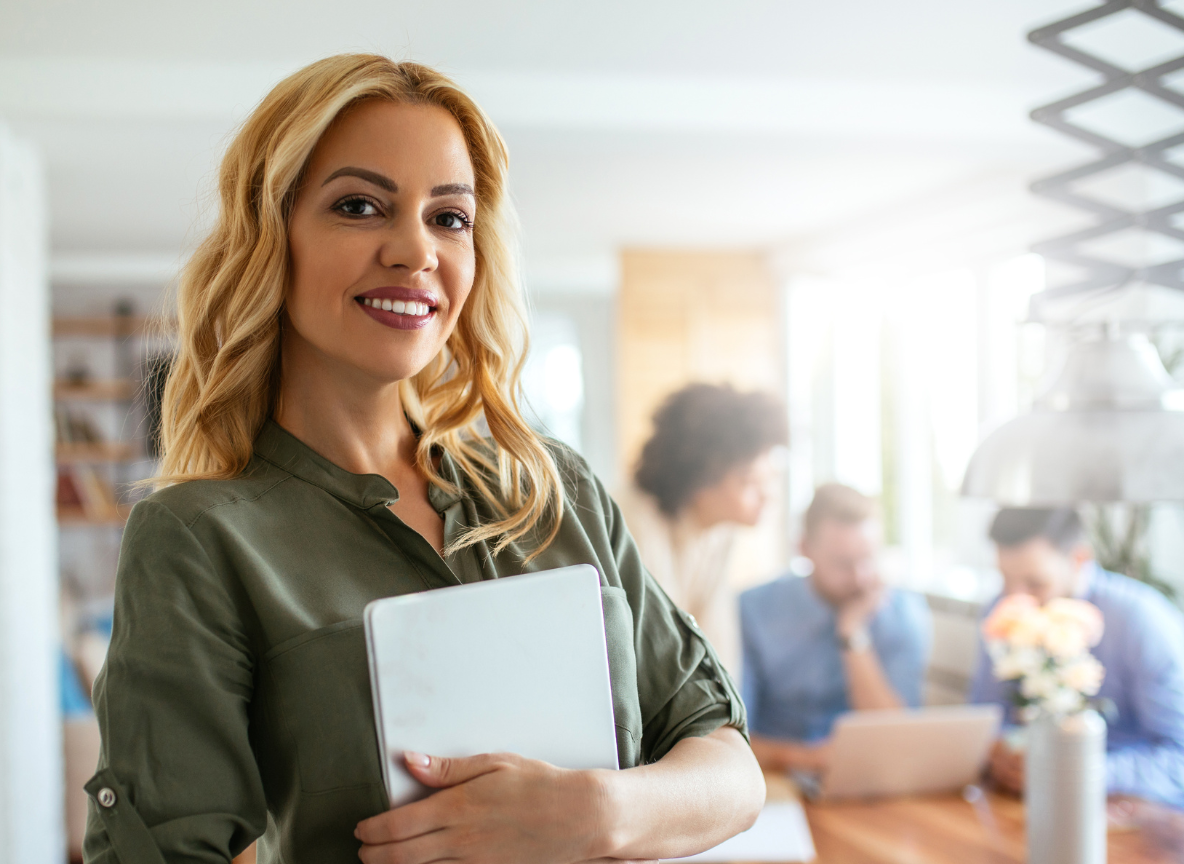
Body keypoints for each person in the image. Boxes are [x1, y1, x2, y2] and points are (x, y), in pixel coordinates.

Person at [82, 55, 764, 864]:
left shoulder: (554, 489)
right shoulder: (198, 538)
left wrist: (599, 813)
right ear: (273, 236)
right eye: (360, 206)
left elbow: (729, 765)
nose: (415, 250)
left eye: (449, 217)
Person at [971, 508, 1184, 820]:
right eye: (1006, 580)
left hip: (1168, 818)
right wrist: (1001, 753)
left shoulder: (1143, 621)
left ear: (1079, 560)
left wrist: (1074, 770)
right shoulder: (1002, 613)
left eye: (1035, 583)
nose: (1017, 598)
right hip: (1060, 807)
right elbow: (987, 719)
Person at [738, 483, 931, 774]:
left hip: (870, 778)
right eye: (843, 564)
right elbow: (729, 740)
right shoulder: (751, 611)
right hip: (773, 778)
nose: (860, 578)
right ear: (804, 549)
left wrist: (853, 634)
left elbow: (898, 736)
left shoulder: (904, 613)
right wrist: (809, 759)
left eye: (868, 559)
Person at [622, 383, 787, 669]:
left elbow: (717, 647)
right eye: (748, 481)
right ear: (698, 480)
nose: (767, 494)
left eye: (768, 477)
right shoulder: (634, 524)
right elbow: (657, 650)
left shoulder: (719, 530)